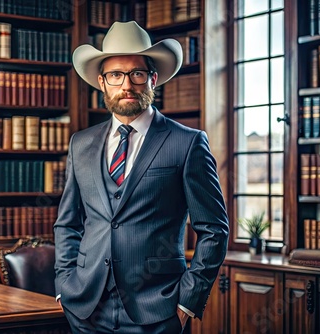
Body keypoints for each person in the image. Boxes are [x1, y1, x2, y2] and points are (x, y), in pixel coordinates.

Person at [54, 21, 229, 334]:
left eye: (136, 74)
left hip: (158, 312)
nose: (126, 85)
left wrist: (186, 302)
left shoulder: (187, 142)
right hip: (85, 309)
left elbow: (214, 229)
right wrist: (64, 285)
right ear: (101, 82)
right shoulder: (80, 143)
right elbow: (68, 222)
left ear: (153, 79)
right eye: (115, 75)